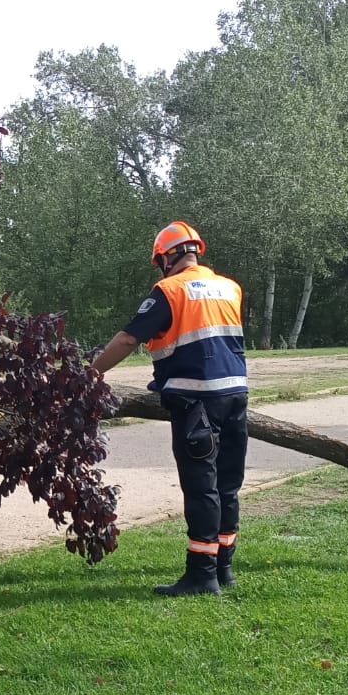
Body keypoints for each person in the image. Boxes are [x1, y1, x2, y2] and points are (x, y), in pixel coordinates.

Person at [91, 221, 248, 596]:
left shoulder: (169, 290)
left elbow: (130, 337)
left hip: (195, 402)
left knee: (201, 490)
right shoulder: (230, 287)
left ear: (167, 257)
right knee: (227, 487)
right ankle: (224, 568)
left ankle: (201, 575)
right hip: (235, 396)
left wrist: (89, 373)